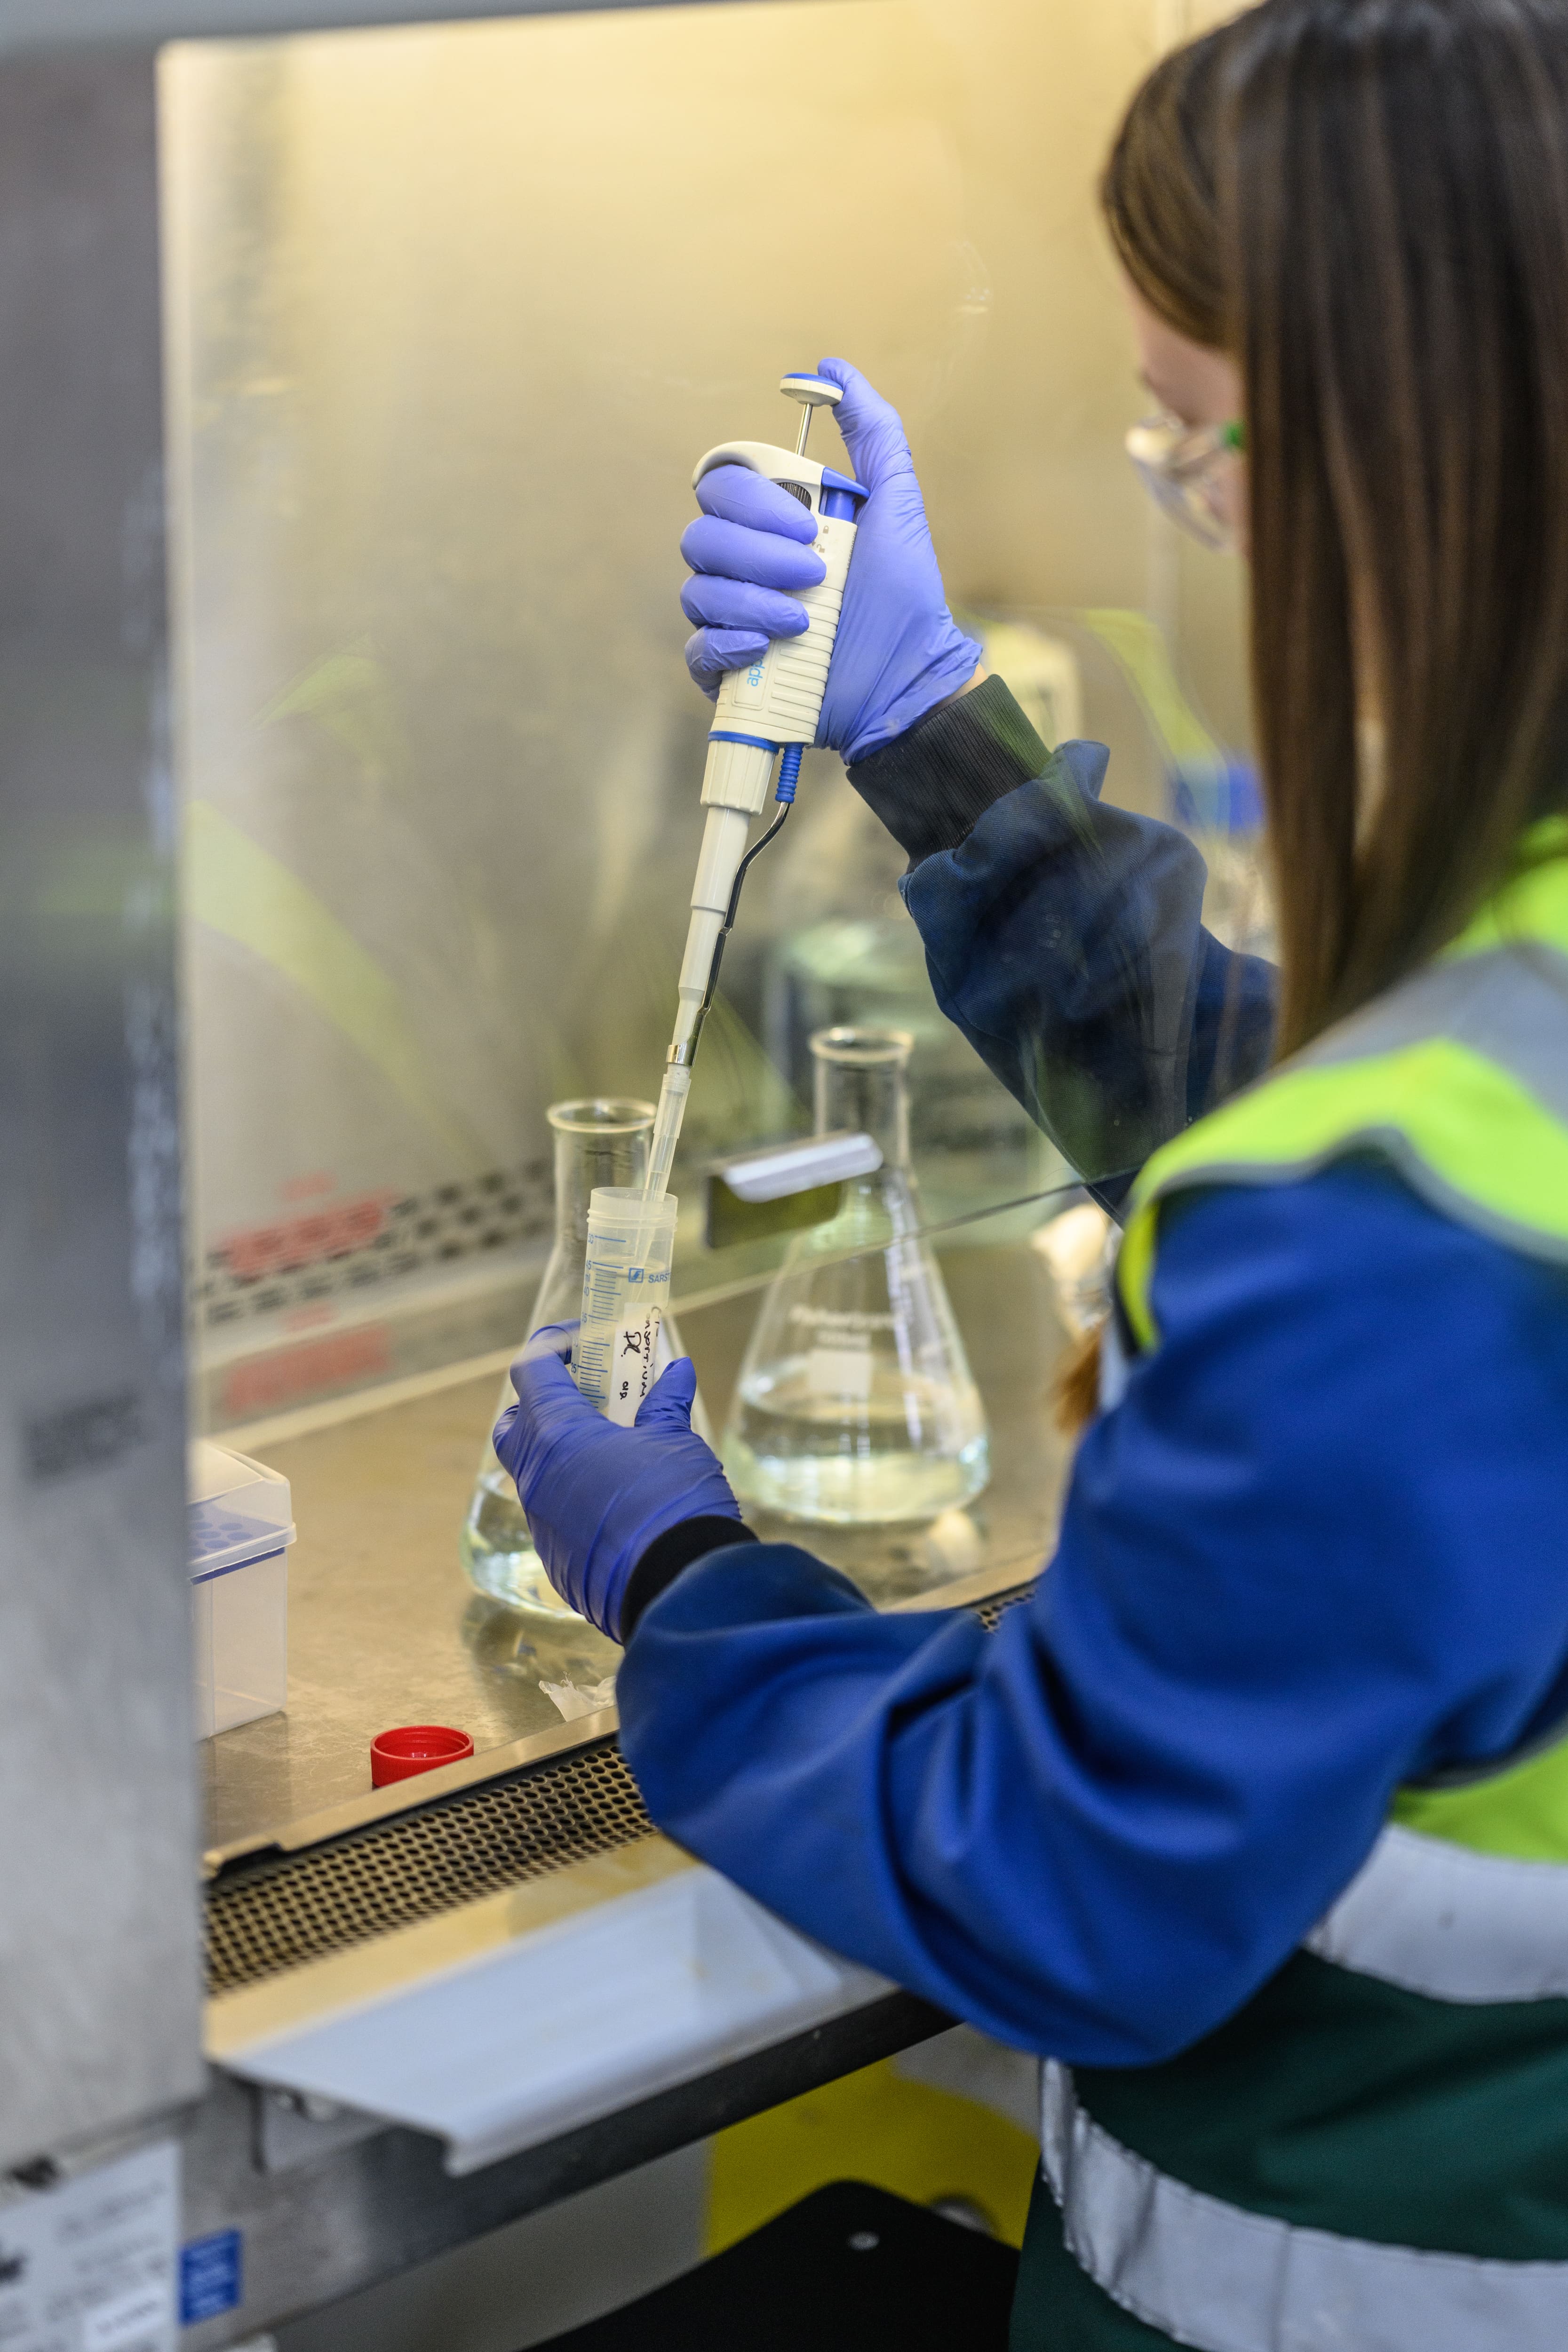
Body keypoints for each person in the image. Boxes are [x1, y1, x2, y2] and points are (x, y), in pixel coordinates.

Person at [496, 4, 1568, 2343]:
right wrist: (930, 733)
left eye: (1197, 443)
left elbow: (1057, 1875)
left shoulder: (1407, 1228)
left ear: (1410, 454)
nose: (1196, 509)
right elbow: (1313, 1102)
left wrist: (683, 1581)